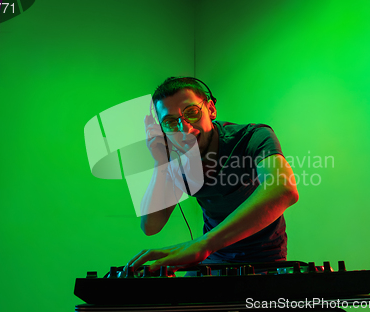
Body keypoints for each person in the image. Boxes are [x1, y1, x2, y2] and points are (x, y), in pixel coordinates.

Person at [126, 77, 299, 273]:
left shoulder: (253, 137)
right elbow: (151, 226)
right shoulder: (175, 159)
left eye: (191, 112)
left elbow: (283, 189)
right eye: (170, 122)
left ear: (210, 109)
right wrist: (160, 163)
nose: (185, 129)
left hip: (264, 261)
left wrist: (202, 245)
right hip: (211, 260)